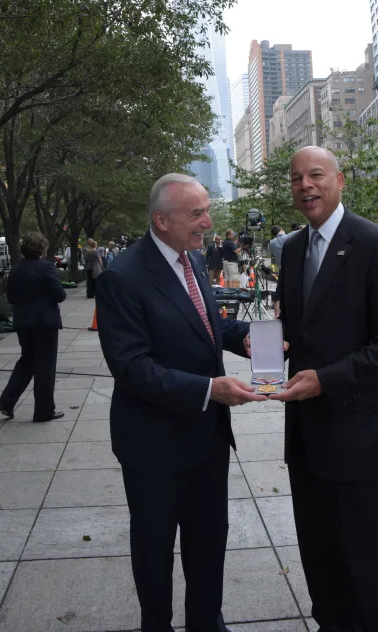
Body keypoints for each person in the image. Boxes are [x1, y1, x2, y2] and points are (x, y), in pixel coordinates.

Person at [96, 173, 267, 632]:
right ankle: (157, 623)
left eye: (206, 210)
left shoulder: (189, 259)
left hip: (207, 438)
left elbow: (200, 324)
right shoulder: (123, 276)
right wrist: (210, 390)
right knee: (154, 546)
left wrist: (246, 337)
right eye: (197, 214)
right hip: (154, 444)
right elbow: (132, 366)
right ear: (161, 219)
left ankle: (206, 620)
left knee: (209, 539)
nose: (208, 222)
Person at [270, 146, 378, 632]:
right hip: (306, 435)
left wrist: (327, 380)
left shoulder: (376, 244)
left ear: (340, 180)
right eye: (296, 178)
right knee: (319, 554)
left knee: (365, 561)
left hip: (361, 434)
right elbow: (296, 328)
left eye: (316, 175)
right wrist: (270, 351)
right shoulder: (291, 249)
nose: (305, 186)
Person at [0, 232, 66, 422]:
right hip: (45, 323)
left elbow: (11, 298)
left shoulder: (16, 270)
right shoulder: (47, 268)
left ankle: (7, 401)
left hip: (23, 322)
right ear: (42, 249)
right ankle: (44, 411)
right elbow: (60, 295)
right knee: (45, 366)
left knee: (27, 361)